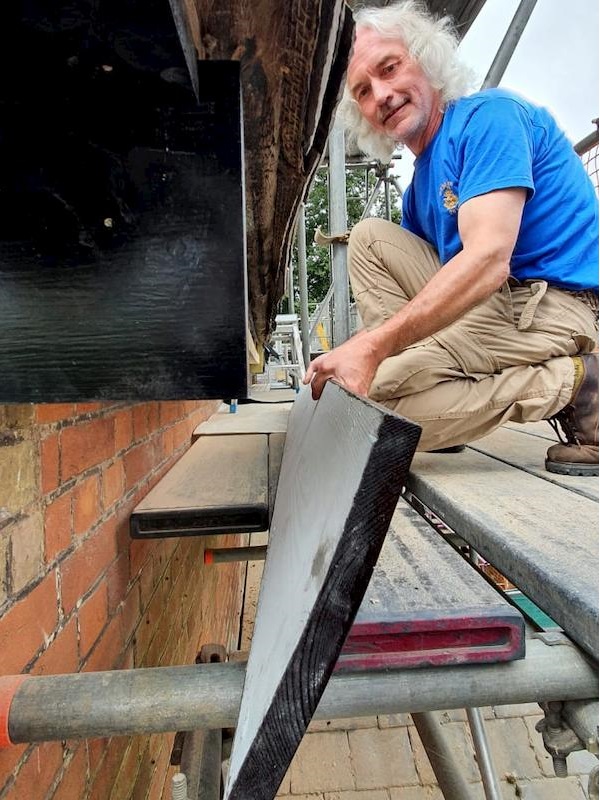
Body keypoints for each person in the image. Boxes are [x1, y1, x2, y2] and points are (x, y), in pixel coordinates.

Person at [303, 0, 599, 476]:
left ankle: (577, 381)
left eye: (390, 68)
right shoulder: (419, 189)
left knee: (373, 413)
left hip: (558, 306)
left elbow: (486, 260)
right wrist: (364, 350)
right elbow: (416, 302)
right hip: (497, 307)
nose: (382, 93)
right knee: (369, 238)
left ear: (426, 60)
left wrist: (372, 351)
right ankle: (432, 389)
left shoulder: (490, 118)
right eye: (363, 90)